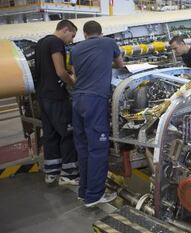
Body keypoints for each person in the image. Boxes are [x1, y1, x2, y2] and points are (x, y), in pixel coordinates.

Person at [70, 20, 124, 207]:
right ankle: (94, 196)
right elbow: (120, 64)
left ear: (84, 34)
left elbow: (75, 76)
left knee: (83, 148)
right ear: (100, 33)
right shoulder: (109, 43)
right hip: (95, 100)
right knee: (98, 149)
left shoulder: (75, 50)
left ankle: (83, 191)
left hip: (77, 100)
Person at [34, 19, 79, 185]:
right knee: (68, 132)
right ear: (65, 30)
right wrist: (74, 82)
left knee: (50, 134)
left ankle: (51, 172)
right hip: (56, 96)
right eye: (72, 36)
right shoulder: (56, 43)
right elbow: (60, 71)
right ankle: (69, 174)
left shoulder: (41, 42)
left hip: (43, 95)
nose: (71, 40)